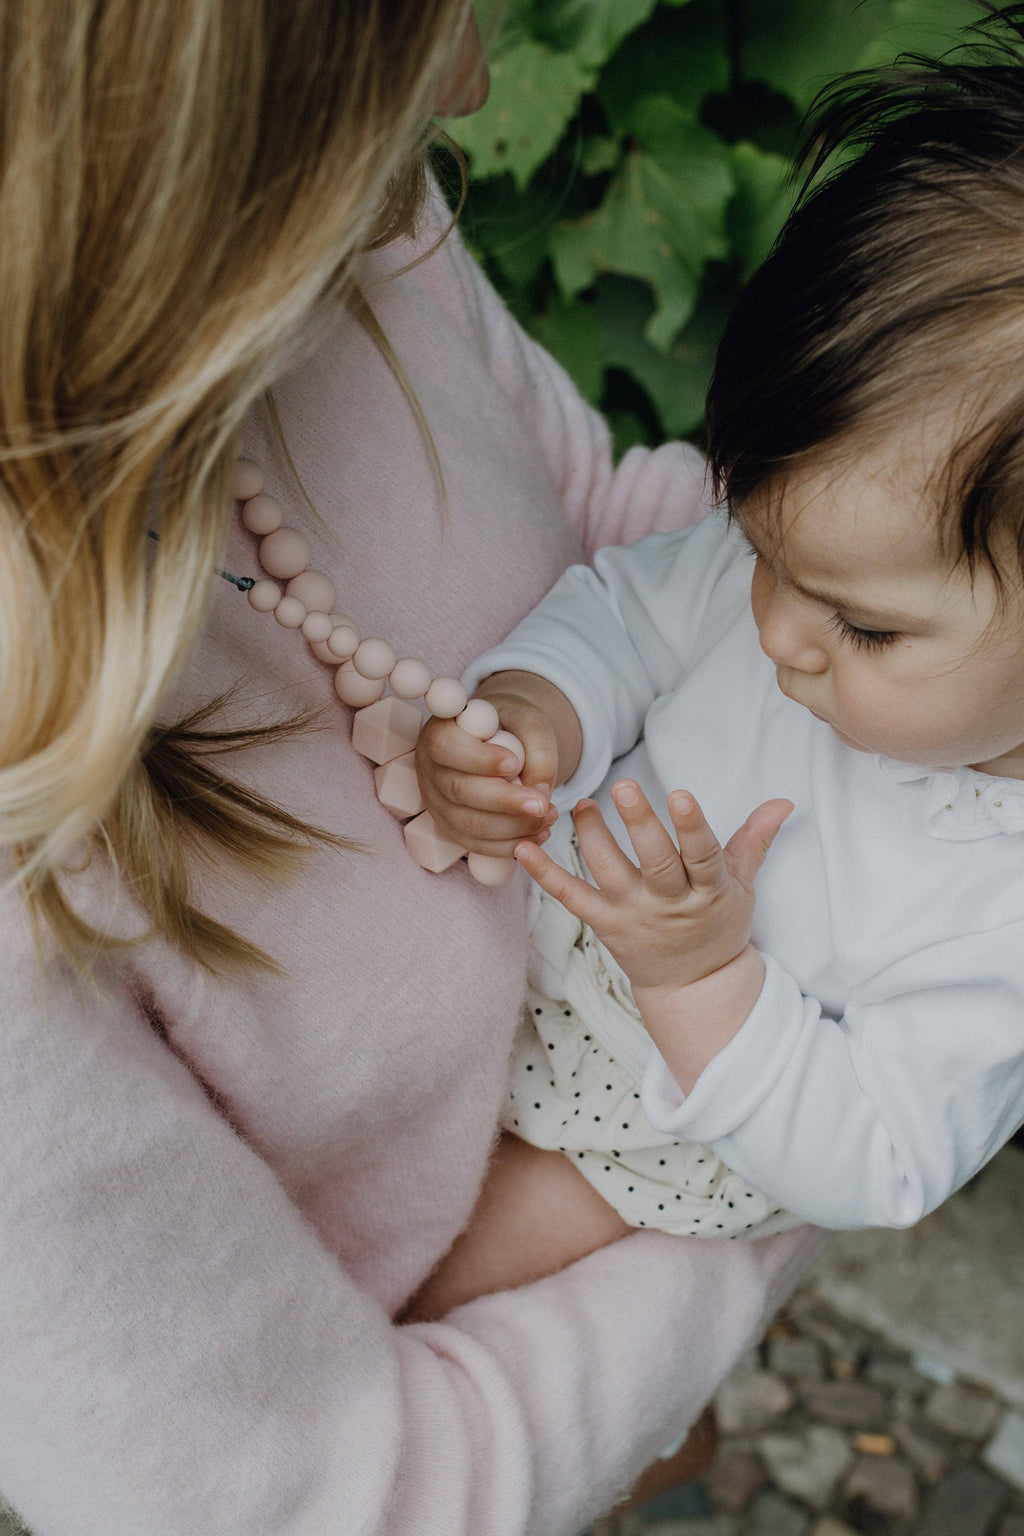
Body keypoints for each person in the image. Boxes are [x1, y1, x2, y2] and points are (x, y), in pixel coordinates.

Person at [0, 3, 823, 1532]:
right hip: (491, 1359)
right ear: (164, 140)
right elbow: (327, 1499)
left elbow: (597, 519)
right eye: (411, 39)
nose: (472, 88)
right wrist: (812, 1129)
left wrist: (925, 567)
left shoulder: (343, 239)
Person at [414, 18, 1024, 1316]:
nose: (780, 631)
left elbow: (885, 1153)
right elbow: (628, 613)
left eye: (864, 630)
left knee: (439, 1278)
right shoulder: (822, 565)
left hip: (651, 1118)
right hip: (514, 942)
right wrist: (538, 712)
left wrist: (701, 980)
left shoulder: (1004, 914)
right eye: (760, 550)